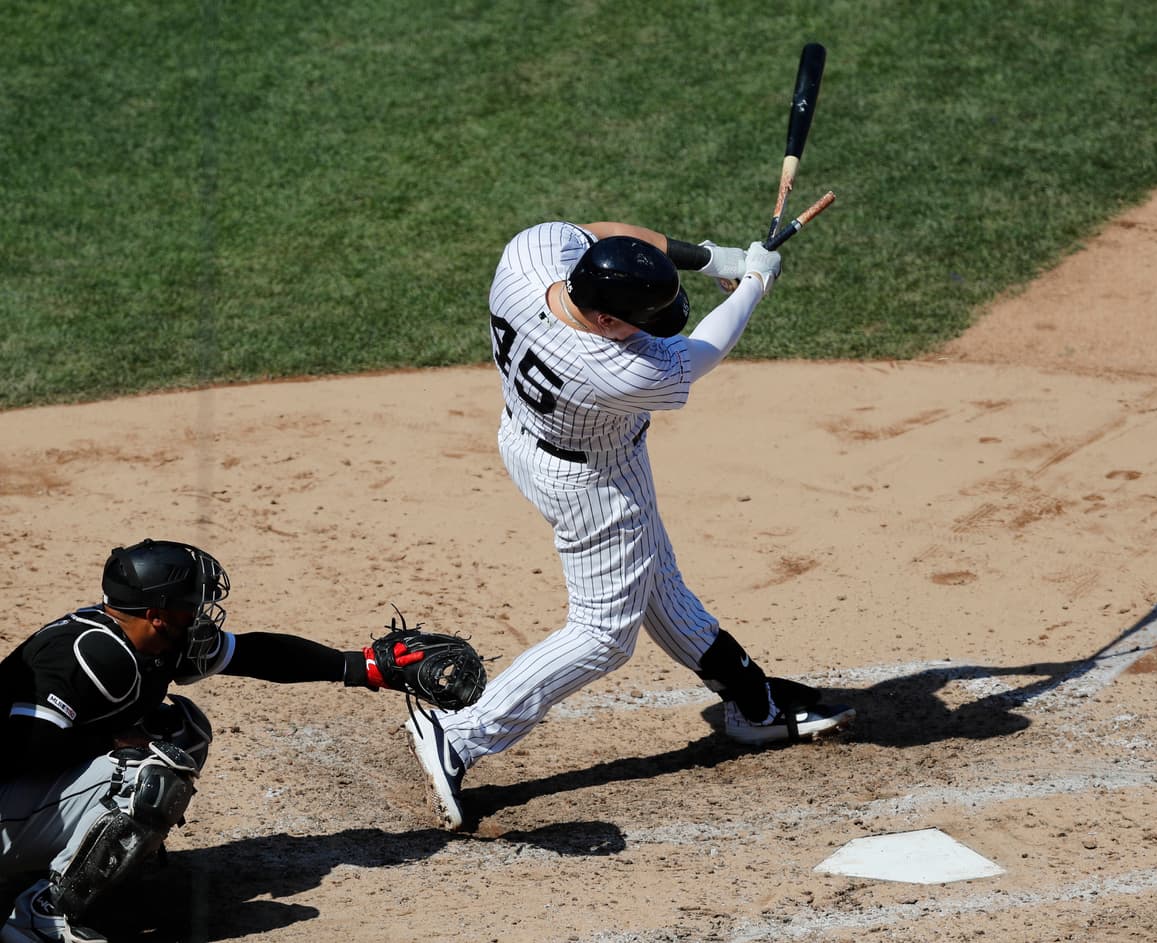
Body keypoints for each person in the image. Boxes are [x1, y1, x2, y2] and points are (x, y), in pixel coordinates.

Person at [404, 221, 855, 831]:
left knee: (655, 582)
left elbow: (604, 230)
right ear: (609, 322)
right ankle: (460, 733)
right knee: (604, 634)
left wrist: (709, 256)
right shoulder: (619, 370)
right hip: (593, 484)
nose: (652, 327)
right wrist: (749, 284)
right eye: (642, 320)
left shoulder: (525, 258)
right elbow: (704, 353)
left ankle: (750, 700)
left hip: (526, 439)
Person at [0, 538, 415, 943]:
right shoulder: (88, 655)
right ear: (157, 614)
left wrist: (360, 666)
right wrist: (115, 741)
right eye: (190, 605)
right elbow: (18, 749)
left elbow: (254, 654)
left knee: (179, 729)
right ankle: (41, 919)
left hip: (21, 803)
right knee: (150, 772)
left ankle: (64, 868)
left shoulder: (150, 638)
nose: (200, 614)